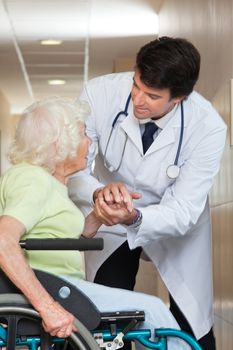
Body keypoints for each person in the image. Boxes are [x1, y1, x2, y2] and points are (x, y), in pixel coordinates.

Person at [68, 36, 227, 350]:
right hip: (109, 217)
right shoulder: (98, 94)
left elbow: (183, 210)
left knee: (191, 327)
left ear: (179, 97)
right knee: (105, 321)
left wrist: (137, 215)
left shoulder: (207, 127)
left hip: (174, 226)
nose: (138, 99)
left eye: (152, 96)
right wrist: (101, 194)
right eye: (137, 85)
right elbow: (74, 169)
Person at [0, 96, 190, 350]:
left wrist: (97, 218)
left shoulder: (44, 182)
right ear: (60, 144)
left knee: (152, 313)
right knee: (154, 312)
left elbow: (55, 237)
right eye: (83, 135)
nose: (90, 143)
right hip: (56, 287)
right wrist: (47, 307)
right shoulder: (33, 181)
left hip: (59, 284)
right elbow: (3, 240)